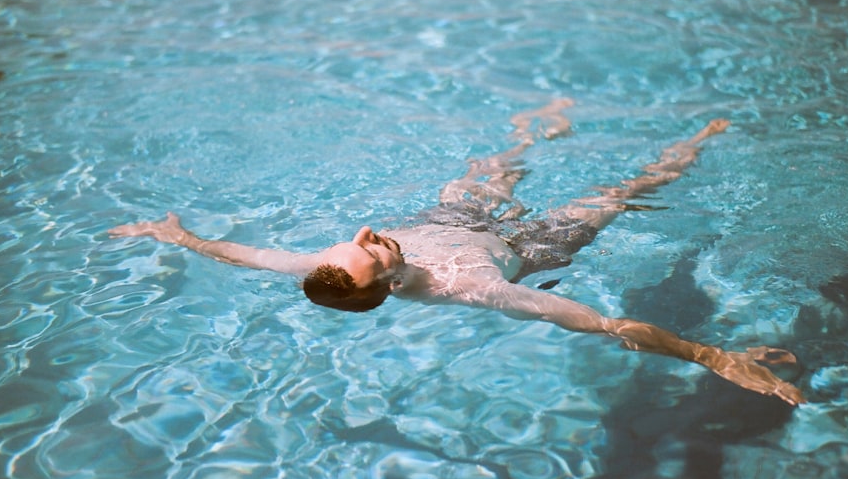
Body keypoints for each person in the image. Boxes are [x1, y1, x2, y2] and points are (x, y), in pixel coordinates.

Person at [108, 99, 805, 405]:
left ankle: (535, 130)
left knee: (483, 170)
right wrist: (712, 357)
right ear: (386, 285)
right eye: (371, 255)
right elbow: (599, 324)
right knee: (622, 191)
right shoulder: (473, 289)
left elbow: (247, 254)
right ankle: (696, 147)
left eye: (352, 243)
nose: (362, 238)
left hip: (448, 217)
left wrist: (180, 237)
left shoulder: (328, 264)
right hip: (525, 247)